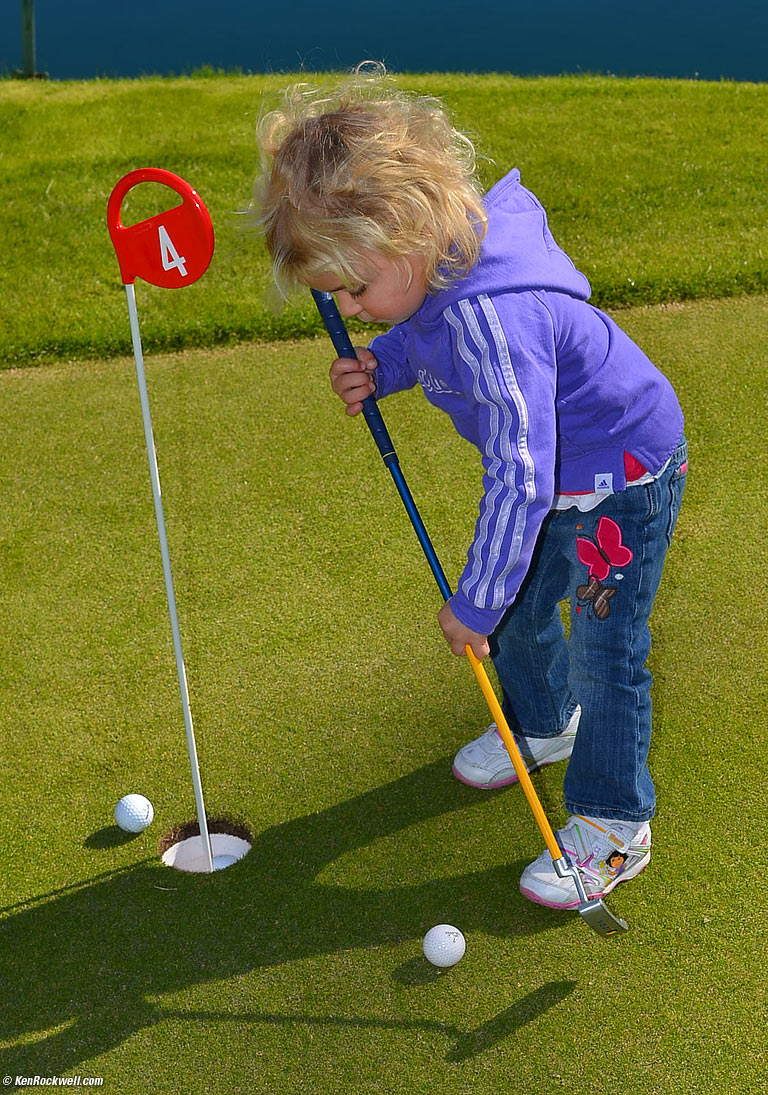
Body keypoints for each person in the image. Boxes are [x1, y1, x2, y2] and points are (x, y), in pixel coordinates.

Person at [254, 66, 687, 911]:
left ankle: (613, 824)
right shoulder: (436, 266)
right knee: (528, 613)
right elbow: (426, 331)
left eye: (353, 288)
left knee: (606, 650)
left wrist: (474, 601)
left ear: (409, 233)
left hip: (620, 478)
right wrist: (388, 367)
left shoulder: (496, 319)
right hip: (563, 473)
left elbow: (519, 477)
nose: (351, 307)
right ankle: (542, 718)